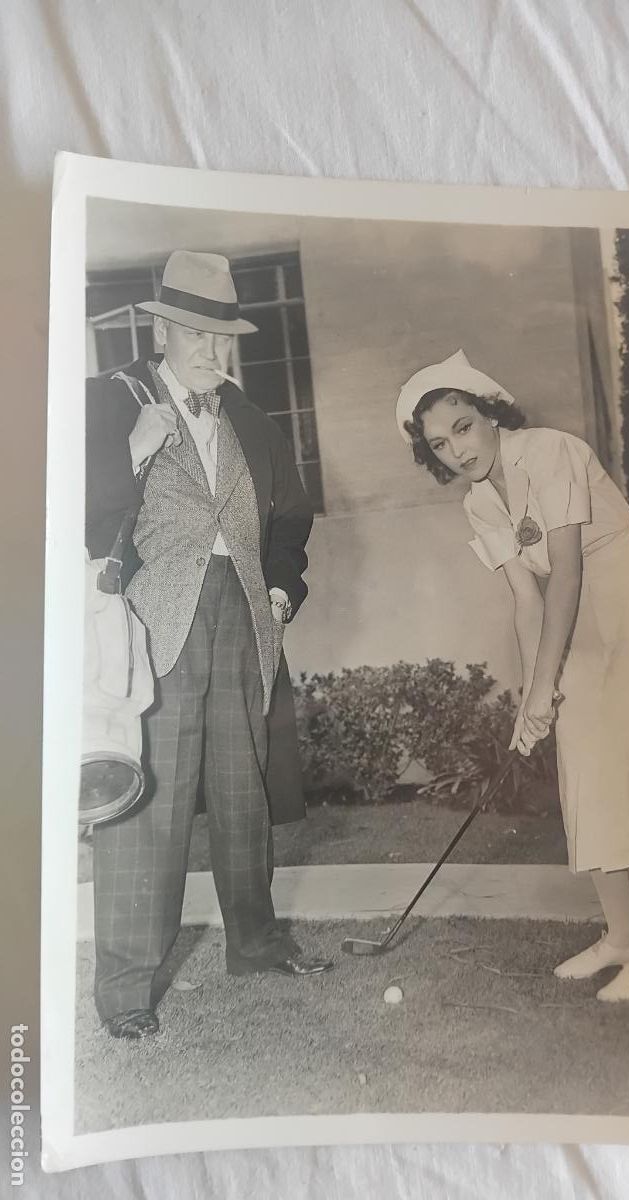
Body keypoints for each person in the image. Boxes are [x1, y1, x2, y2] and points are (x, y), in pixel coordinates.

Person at [395, 350, 629, 1002]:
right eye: (439, 443)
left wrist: (544, 684)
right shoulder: (479, 504)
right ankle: (620, 936)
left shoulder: (550, 452)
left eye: (463, 426)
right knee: (588, 775)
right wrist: (531, 697)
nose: (456, 448)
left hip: (628, 613)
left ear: (491, 416)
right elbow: (526, 598)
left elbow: (566, 569)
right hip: (575, 634)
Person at [84, 250, 332, 1040]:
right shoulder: (112, 399)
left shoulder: (253, 421)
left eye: (219, 334)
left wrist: (284, 588)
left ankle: (255, 942)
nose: (207, 349)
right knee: (147, 805)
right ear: (160, 329)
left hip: (245, 618)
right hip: (155, 623)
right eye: (190, 330)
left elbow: (290, 520)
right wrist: (134, 449)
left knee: (242, 790)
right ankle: (126, 989)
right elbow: (73, 511)